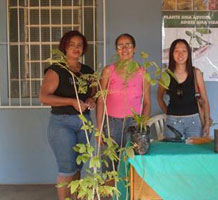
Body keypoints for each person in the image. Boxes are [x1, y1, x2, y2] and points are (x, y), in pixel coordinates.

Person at [40, 30, 95, 200]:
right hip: (62, 123)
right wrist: (71, 102)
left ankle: (76, 197)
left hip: (84, 123)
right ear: (65, 46)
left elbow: (94, 92)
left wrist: (91, 100)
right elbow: (44, 97)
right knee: (67, 168)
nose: (76, 48)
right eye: (72, 45)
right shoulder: (56, 70)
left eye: (79, 45)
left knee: (79, 166)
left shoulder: (87, 70)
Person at [96, 33, 151, 172]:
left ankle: (127, 194)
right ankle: (110, 194)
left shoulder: (142, 72)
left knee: (131, 164)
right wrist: (99, 129)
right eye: (120, 45)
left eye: (128, 45)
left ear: (134, 49)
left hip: (133, 123)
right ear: (116, 50)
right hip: (111, 123)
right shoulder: (109, 71)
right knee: (110, 165)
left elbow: (147, 103)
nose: (124, 48)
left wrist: (141, 126)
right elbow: (101, 101)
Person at [157, 39, 210, 138]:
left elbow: (205, 99)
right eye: (176, 51)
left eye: (184, 51)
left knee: (194, 152)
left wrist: (207, 122)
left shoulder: (196, 73)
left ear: (189, 53)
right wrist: (168, 113)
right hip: (172, 121)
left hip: (194, 121)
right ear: (172, 54)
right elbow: (159, 97)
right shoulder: (166, 75)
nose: (180, 54)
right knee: (173, 152)